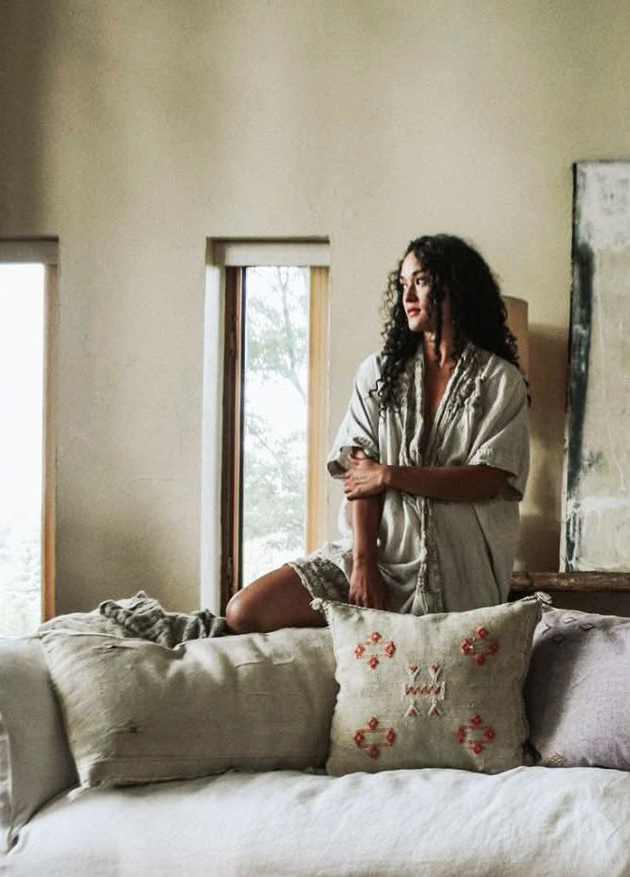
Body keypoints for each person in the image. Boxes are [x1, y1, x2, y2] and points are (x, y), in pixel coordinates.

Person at [223, 234, 530, 632]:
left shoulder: (500, 381)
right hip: (380, 553)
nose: (407, 295)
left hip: (460, 566)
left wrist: (391, 474)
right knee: (246, 611)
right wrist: (364, 565)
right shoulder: (379, 373)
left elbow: (488, 479)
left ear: (455, 285)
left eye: (420, 281)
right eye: (403, 284)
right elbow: (358, 474)